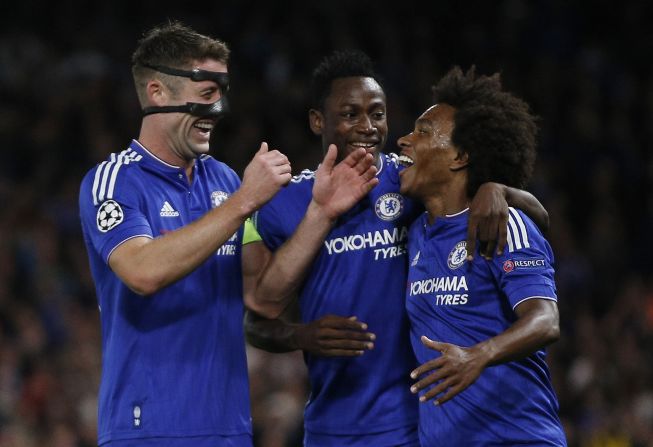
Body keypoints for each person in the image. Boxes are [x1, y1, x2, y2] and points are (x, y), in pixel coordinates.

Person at [78, 23, 377, 447]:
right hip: (147, 428)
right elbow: (141, 271)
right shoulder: (114, 181)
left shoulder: (223, 179)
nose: (218, 108)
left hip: (230, 427)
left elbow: (263, 296)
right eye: (206, 93)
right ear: (159, 93)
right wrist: (242, 203)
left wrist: (320, 213)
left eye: (221, 93)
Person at [244, 50, 550, 446]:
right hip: (329, 424)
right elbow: (256, 317)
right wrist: (300, 336)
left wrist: (498, 188)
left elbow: (534, 221)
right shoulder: (284, 203)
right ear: (318, 121)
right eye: (351, 114)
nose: (368, 127)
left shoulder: (407, 181)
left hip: (414, 424)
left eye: (378, 113)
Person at [399, 66, 566, 445]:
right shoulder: (413, 234)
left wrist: (478, 356)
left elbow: (546, 320)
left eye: (423, 132)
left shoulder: (502, 223)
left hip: (518, 438)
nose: (404, 140)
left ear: (460, 156)